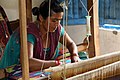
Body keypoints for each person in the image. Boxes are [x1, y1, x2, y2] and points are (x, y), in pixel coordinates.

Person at [0, 0, 80, 72]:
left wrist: (74, 55)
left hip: (37, 70)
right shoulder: (30, 33)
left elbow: (71, 44)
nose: (57, 24)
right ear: (41, 18)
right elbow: (28, 63)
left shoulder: (57, 29)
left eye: (60, 20)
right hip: (11, 73)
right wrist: (55, 63)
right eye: (54, 20)